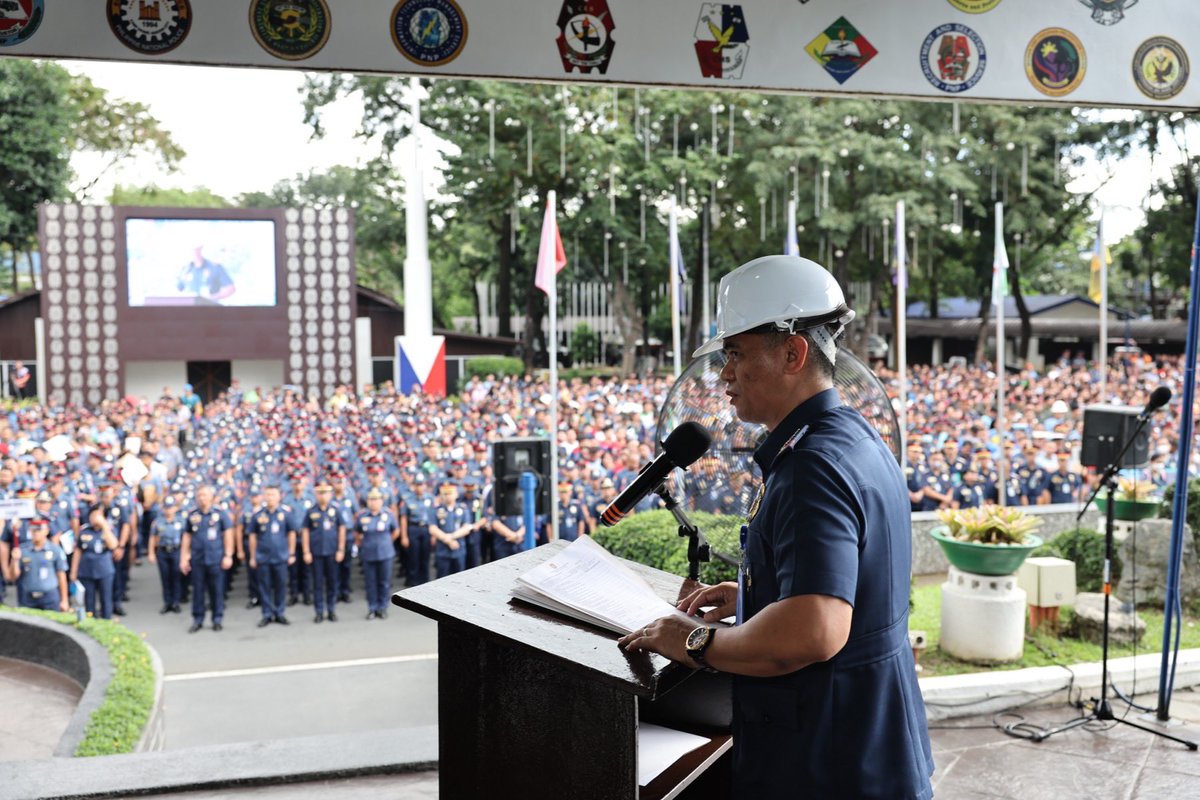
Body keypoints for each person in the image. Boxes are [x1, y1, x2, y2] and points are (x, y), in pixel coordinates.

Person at [618, 255, 933, 799]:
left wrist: (694, 640)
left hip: (830, 764)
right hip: (862, 749)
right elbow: (845, 595)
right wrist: (755, 599)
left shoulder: (812, 464)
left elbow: (816, 630)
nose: (724, 374)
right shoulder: (846, 436)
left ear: (793, 352)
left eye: (735, 353)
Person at [180, 485, 234, 633]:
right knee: (198, 591)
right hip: (197, 559)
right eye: (199, 495)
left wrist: (228, 555)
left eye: (204, 495)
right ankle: (198, 619)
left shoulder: (220, 513)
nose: (202, 498)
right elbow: (187, 536)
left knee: (216, 590)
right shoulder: (192, 515)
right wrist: (184, 557)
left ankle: (217, 619)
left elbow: (228, 534)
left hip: (215, 558)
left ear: (211, 497)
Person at [247, 485, 295, 627]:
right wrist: (253, 556)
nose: (270, 498)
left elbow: (291, 533)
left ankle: (280, 612)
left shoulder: (286, 513)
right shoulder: (258, 515)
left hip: (281, 556)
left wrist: (291, 553)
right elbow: (252, 536)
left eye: (273, 495)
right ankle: (267, 613)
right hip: (263, 557)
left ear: (279, 496)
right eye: (267, 495)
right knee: (264, 587)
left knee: (281, 585)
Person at [301, 480, 345, 623]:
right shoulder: (311, 511)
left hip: (332, 552)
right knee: (318, 584)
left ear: (330, 494)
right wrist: (306, 551)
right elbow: (305, 531)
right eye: (320, 493)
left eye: (325, 493)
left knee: (332, 583)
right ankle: (319, 611)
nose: (323, 496)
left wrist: (341, 549)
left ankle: (331, 610)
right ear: (316, 494)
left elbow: (342, 529)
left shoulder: (336, 510)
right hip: (316, 553)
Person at [355, 488, 398, 620]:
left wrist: (385, 542)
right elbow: (357, 533)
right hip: (368, 554)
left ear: (381, 501)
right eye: (371, 499)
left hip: (385, 554)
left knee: (384, 582)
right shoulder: (362, 516)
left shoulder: (388, 514)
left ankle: (383, 607)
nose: (373, 502)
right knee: (370, 582)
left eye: (376, 499)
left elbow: (396, 531)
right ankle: (372, 608)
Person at [11, 519, 69, 612]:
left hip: (49, 597)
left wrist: (64, 600)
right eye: (33, 530)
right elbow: (13, 577)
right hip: (28, 598)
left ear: (46, 531)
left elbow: (61, 576)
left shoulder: (55, 550)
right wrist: (15, 560)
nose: (35, 533)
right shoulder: (22, 550)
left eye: (39, 530)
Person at [71, 506, 118, 619]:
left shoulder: (108, 529)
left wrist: (104, 526)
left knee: (106, 599)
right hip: (86, 571)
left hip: (104, 570)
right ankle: (91, 623)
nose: (95, 519)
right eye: (92, 516)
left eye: (98, 515)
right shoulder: (84, 530)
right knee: (89, 600)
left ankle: (107, 622)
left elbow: (113, 545)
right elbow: (78, 551)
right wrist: (73, 571)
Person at [148, 495, 185, 613]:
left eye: (171, 507)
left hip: (176, 550)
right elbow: (152, 538)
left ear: (175, 508)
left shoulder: (181, 521)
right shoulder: (158, 521)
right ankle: (167, 602)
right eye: (166, 508)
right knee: (165, 577)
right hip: (163, 551)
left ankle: (176, 602)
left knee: (176, 577)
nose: (168, 510)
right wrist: (151, 553)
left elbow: (186, 538)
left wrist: (186, 554)